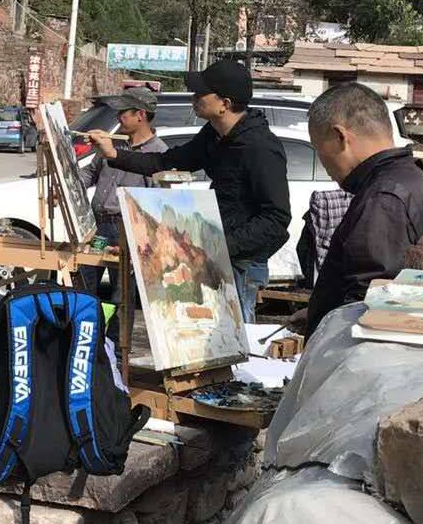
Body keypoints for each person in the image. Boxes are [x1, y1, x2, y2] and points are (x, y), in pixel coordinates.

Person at [88, 59, 291, 322]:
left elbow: (276, 219)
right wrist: (113, 154)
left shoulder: (261, 148)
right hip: (216, 254)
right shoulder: (214, 134)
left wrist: (220, 247)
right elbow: (165, 161)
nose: (194, 97)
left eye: (201, 93)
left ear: (224, 104)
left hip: (241, 263)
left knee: (236, 343)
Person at [297, 82, 423, 338]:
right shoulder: (408, 178)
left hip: (364, 365)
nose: (324, 166)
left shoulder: (384, 197)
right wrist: (318, 313)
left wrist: (330, 328)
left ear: (340, 136)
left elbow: (368, 306)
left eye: (320, 151)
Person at [78, 88, 168, 300]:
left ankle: (116, 334)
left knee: (121, 298)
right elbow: (90, 173)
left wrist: (140, 240)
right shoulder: (113, 144)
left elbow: (157, 203)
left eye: (123, 113)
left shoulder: (158, 153)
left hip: (126, 230)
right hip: (96, 226)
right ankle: (91, 332)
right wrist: (66, 186)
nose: (118, 118)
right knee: (82, 289)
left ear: (141, 115)